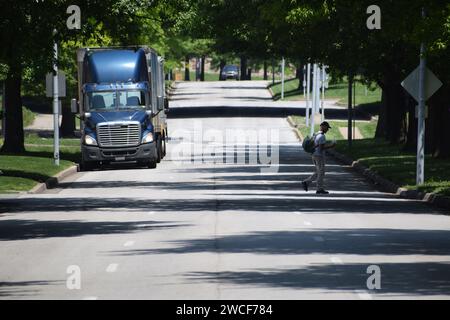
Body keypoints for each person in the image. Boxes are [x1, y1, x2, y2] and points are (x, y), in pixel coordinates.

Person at [301, 121, 336, 194]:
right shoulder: (322, 136)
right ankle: (319, 188)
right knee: (321, 172)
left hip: (314, 154)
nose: (327, 130)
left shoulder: (316, 134)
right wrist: (331, 145)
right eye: (327, 128)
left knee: (318, 171)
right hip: (319, 156)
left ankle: (306, 182)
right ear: (323, 127)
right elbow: (321, 148)